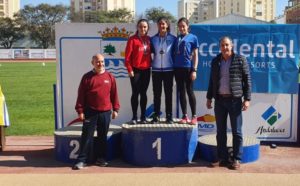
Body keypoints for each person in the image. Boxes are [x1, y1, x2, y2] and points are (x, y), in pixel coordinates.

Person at [206, 36, 251, 170]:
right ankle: (222, 158)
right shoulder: (215, 61)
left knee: (236, 131)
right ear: (220, 47)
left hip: (234, 100)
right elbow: (212, 81)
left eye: (227, 45)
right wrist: (209, 98)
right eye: (222, 45)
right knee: (220, 131)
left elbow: (247, 79)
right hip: (219, 101)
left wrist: (247, 99)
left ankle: (236, 159)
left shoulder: (240, 59)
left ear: (232, 46)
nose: (225, 48)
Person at [73, 53, 120, 170]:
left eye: (102, 61)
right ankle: (81, 160)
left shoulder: (110, 77)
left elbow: (114, 95)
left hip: (105, 112)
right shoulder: (87, 77)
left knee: (102, 137)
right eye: (98, 61)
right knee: (87, 137)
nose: (100, 64)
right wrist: (80, 110)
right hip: (90, 112)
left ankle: (101, 159)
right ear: (92, 63)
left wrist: (116, 109)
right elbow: (81, 95)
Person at [125, 19, 151, 124]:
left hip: (146, 70)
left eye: (145, 27)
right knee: (135, 93)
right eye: (141, 26)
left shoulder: (149, 39)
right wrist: (130, 69)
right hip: (135, 71)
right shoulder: (132, 39)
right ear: (137, 27)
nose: (143, 29)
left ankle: (143, 117)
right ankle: (134, 117)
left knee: (143, 93)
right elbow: (127, 58)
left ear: (147, 28)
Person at [150, 17, 176, 124]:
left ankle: (169, 116)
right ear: (157, 25)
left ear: (167, 25)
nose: (162, 26)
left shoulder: (173, 39)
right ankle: (156, 115)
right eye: (160, 24)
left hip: (169, 70)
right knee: (156, 94)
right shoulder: (152, 39)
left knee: (168, 94)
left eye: (164, 24)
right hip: (156, 70)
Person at [173, 17, 199, 125]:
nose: (181, 28)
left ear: (188, 26)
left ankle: (194, 116)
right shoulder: (177, 38)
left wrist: (194, 70)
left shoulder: (193, 38)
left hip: (188, 68)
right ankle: (184, 116)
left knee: (189, 91)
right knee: (181, 92)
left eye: (183, 26)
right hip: (177, 68)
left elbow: (196, 55)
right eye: (179, 26)